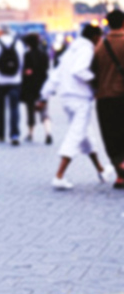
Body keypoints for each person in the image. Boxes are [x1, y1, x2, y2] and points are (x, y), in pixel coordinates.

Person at [40, 24, 113, 189]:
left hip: (66, 98)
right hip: (80, 99)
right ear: (95, 37)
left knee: (85, 134)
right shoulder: (87, 50)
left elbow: (56, 75)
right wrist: (96, 83)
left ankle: (101, 170)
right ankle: (59, 176)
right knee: (76, 135)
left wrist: (44, 96)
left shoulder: (70, 51)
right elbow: (79, 71)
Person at [93, 10, 124, 189]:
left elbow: (93, 70)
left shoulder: (100, 45)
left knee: (111, 136)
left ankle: (120, 174)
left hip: (105, 98)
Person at [0, 27, 25, 145]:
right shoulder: (18, 43)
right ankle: (14, 134)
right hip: (15, 80)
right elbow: (21, 62)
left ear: (0, 33)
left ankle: (0, 133)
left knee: (0, 108)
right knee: (14, 107)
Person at [21, 33, 52, 144]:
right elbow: (47, 68)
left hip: (30, 86)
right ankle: (48, 132)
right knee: (44, 110)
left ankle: (30, 133)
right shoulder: (44, 54)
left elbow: (27, 71)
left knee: (30, 111)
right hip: (43, 85)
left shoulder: (27, 55)